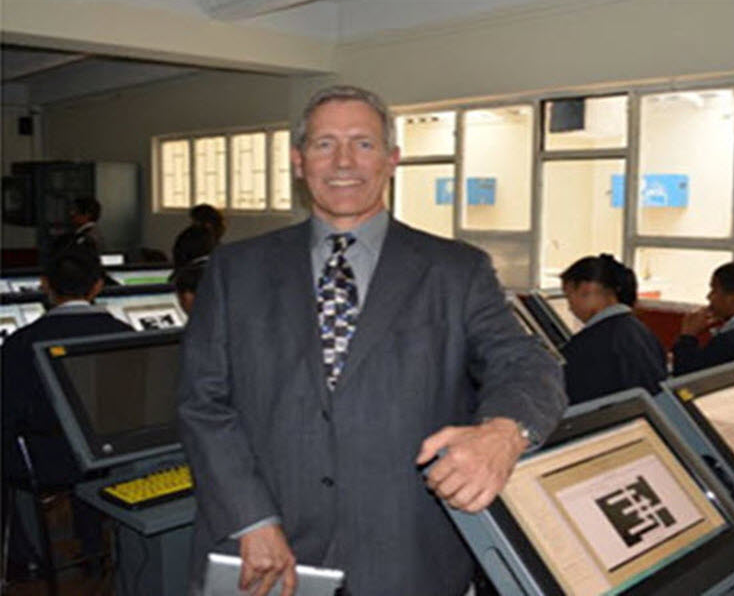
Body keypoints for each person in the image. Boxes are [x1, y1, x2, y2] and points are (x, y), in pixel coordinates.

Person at [178, 85, 566, 596]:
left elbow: (525, 361)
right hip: (265, 552)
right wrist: (251, 520)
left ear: (392, 159)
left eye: (362, 143)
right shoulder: (236, 269)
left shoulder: (455, 270)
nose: (343, 161)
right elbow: (203, 402)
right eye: (324, 144)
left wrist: (504, 432)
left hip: (407, 557)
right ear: (298, 161)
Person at [1, 239, 133, 573]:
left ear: (44, 284)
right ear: (98, 286)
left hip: (43, 464)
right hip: (111, 459)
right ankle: (92, 545)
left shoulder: (19, 344)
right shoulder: (125, 336)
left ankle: (24, 558)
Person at [559, 254, 667, 403]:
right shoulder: (639, 330)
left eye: (569, 296)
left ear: (587, 289)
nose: (570, 307)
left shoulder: (587, 346)